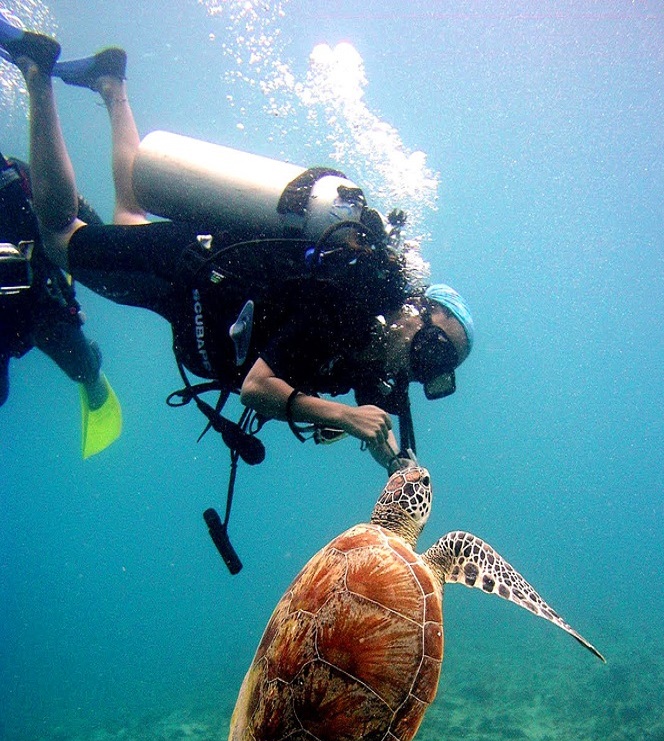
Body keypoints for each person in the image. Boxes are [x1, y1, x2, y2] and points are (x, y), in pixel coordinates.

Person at [0, 14, 474, 478]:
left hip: (198, 305)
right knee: (61, 238)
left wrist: (395, 461)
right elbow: (256, 388)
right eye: (433, 347)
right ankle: (36, 71)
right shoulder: (344, 305)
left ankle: (110, 85)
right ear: (416, 311)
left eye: (439, 368)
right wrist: (343, 417)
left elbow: (381, 417)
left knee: (129, 216)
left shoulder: (378, 344)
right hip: (190, 269)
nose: (423, 366)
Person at [0, 148, 122, 457]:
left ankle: (93, 372)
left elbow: (91, 228)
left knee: (83, 369)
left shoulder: (22, 179)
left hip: (41, 302)